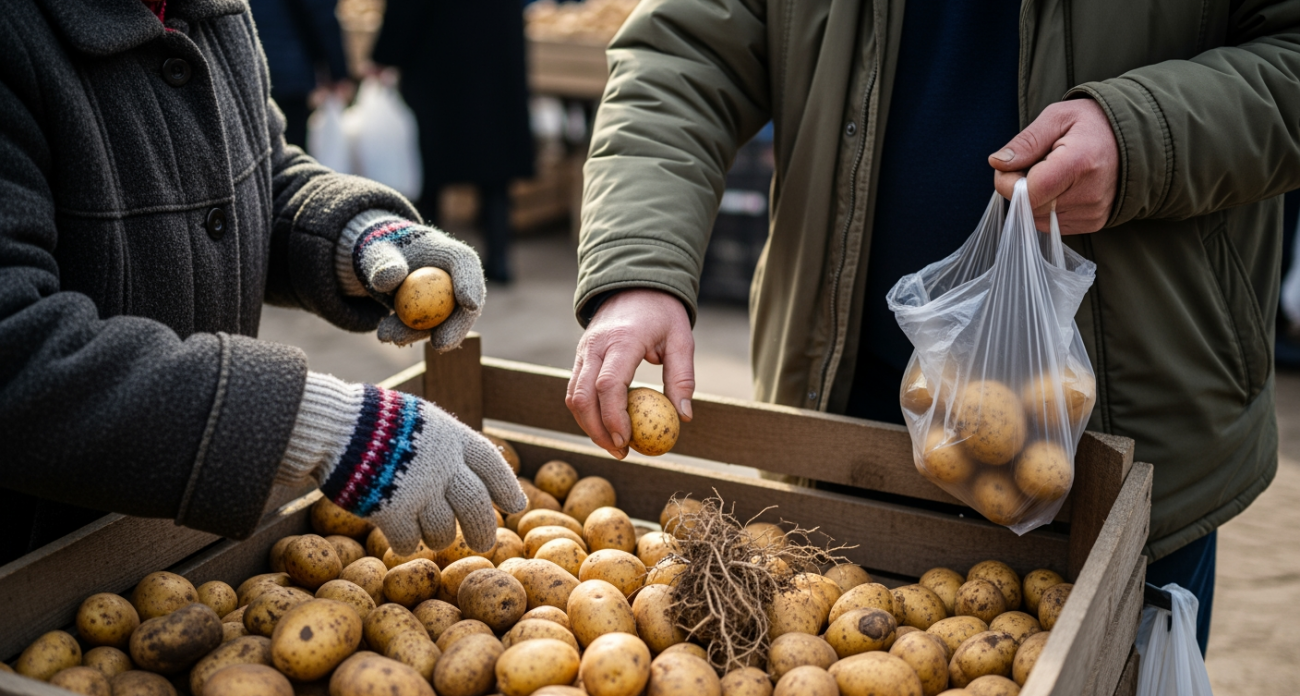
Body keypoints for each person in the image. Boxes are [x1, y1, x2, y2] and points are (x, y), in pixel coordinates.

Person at [565, 0, 1300, 654]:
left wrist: (1145, 138)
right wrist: (639, 265)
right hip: (846, 425)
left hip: (1127, 429)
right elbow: (687, 49)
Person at [0, 0, 525, 567]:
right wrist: (309, 422)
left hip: (186, 538)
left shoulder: (215, 9)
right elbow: (14, 344)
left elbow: (259, 170)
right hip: (37, 555)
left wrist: (361, 237)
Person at [370, 0, 534, 283]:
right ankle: (499, 259)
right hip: (493, 58)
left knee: (432, 168)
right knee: (493, 165)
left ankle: (427, 262)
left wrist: (384, 54)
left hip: (438, 62)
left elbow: (405, 10)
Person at [247, 0, 351, 149]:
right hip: (288, 70)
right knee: (288, 147)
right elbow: (322, 15)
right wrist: (337, 72)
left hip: (248, 68)